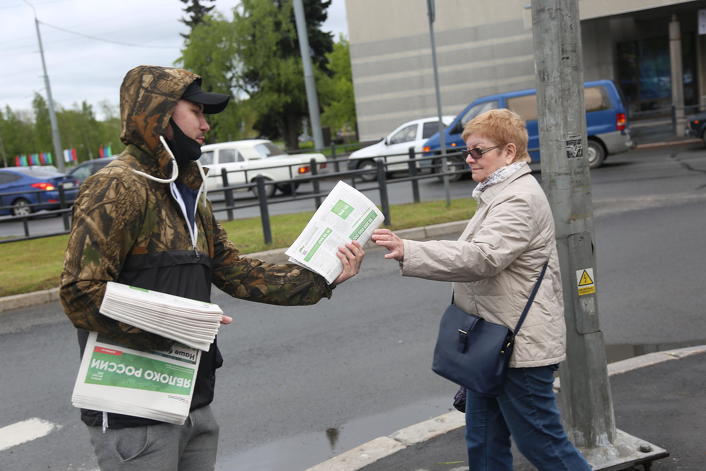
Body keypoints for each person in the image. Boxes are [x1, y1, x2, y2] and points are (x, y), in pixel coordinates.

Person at [60, 65, 364, 471]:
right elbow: (81, 293)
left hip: (191, 395)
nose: (206, 125)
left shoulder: (187, 188)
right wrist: (180, 323)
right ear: (160, 115)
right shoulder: (116, 187)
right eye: (197, 113)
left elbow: (234, 271)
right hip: (132, 407)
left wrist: (322, 278)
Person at [371, 109, 591, 470]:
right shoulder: (497, 192)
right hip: (491, 343)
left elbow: (483, 257)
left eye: (477, 151)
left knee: (544, 447)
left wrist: (409, 250)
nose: (468, 158)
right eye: (466, 150)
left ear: (508, 151)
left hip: (517, 348)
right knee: (484, 442)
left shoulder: (518, 198)